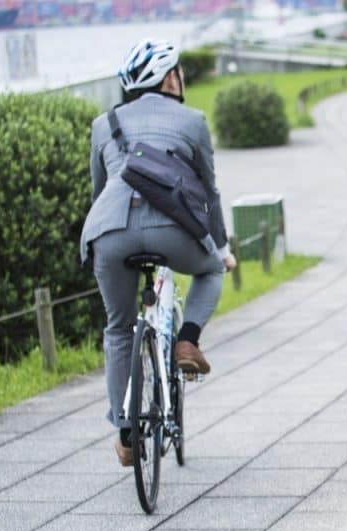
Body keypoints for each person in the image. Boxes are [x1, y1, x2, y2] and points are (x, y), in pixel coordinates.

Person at [81, 38, 235, 467]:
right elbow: (209, 192)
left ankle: (126, 432)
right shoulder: (193, 120)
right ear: (171, 77)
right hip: (173, 229)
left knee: (118, 327)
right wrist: (221, 248)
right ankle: (186, 342)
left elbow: (97, 192)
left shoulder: (103, 123)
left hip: (108, 232)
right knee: (211, 271)